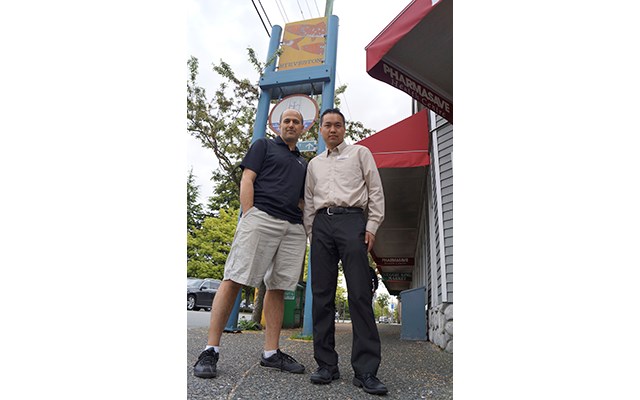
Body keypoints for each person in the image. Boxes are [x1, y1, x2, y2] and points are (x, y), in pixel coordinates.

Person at [193, 109, 308, 379]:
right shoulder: (264, 145)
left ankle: (271, 353)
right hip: (261, 218)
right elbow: (248, 178)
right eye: (287, 121)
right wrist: (249, 213)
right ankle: (210, 350)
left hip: (293, 228)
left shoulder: (304, 162)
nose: (291, 125)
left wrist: (305, 225)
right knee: (234, 278)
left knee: (279, 287)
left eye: (296, 122)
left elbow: (302, 199)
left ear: (304, 128)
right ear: (279, 125)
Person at [303, 108, 388, 395]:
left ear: (344, 128)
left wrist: (372, 226)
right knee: (322, 297)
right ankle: (326, 364)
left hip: (353, 220)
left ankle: (365, 371)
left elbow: (375, 191)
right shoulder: (314, 164)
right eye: (327, 125)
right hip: (322, 226)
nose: (332, 130)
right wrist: (312, 233)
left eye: (337, 125)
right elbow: (309, 197)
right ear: (321, 130)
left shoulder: (360, 154)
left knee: (360, 294)